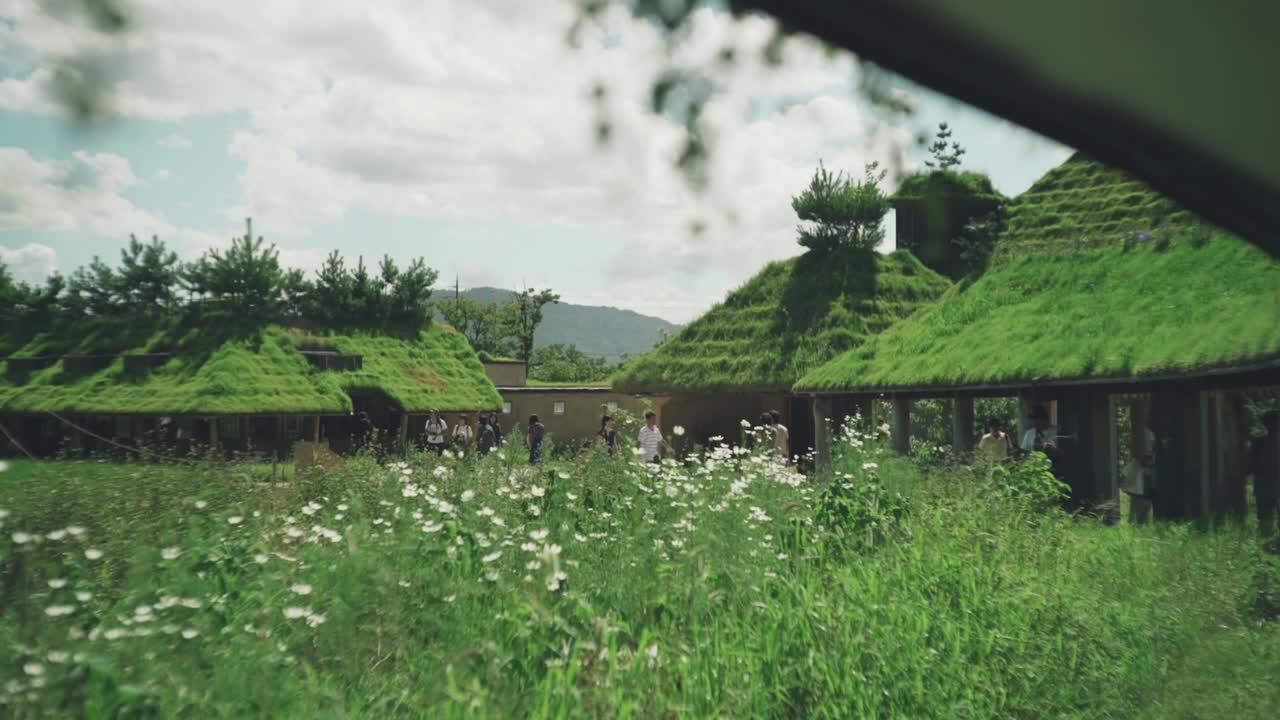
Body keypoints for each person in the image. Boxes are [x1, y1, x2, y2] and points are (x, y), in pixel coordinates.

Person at [1250, 411, 1279, 536]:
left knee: (1265, 521)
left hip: (1264, 487)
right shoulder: (1258, 443)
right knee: (1265, 521)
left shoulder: (1258, 443)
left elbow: (1250, 466)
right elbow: (1251, 465)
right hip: (1265, 487)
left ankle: (1267, 541)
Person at [1120, 439, 1157, 525]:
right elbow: (1124, 475)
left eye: (1150, 457)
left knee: (1146, 519)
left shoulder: (1152, 468)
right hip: (1137, 495)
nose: (1148, 459)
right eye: (1146, 457)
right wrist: (1127, 488)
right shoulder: (1135, 464)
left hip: (1148, 496)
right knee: (1134, 518)